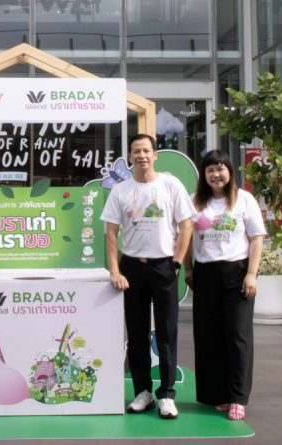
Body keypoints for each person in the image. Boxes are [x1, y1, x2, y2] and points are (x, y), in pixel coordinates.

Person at [100, 134, 194, 419]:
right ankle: (143, 391)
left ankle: (166, 394)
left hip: (164, 266)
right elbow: (111, 233)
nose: (141, 155)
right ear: (130, 157)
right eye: (136, 151)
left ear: (155, 155)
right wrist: (115, 270)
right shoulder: (121, 190)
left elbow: (186, 226)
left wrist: (176, 263)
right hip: (132, 268)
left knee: (166, 333)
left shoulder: (170, 185)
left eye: (145, 150)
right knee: (137, 333)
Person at [184, 150, 265, 421]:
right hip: (205, 274)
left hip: (237, 273)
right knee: (209, 336)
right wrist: (188, 269)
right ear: (204, 175)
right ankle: (217, 394)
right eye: (210, 170)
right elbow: (185, 236)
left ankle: (238, 397)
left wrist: (251, 274)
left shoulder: (244, 200)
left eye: (220, 169)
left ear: (229, 171)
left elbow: (256, 238)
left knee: (237, 336)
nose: (216, 175)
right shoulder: (195, 201)